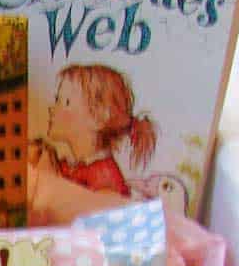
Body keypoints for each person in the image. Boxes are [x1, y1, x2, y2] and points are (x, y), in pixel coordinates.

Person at [29, 64, 158, 224]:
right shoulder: (68, 166)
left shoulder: (106, 176)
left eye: (66, 101)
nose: (52, 108)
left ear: (99, 117)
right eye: (57, 99)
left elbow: (95, 225)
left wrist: (49, 181)